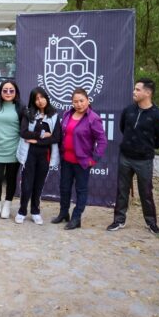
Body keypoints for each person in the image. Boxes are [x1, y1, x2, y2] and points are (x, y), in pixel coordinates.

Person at [107, 78, 159, 235]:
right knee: (122, 190)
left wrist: (145, 148)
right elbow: (122, 128)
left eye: (138, 89)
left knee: (146, 192)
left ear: (148, 93)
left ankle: (151, 223)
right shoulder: (128, 110)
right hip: (125, 157)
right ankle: (119, 220)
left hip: (144, 160)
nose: (134, 92)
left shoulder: (157, 115)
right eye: (134, 89)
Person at [51, 88, 107, 230]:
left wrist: (94, 159)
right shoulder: (67, 114)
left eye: (81, 101)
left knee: (81, 190)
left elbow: (102, 141)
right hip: (66, 160)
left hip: (82, 162)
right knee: (64, 188)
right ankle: (64, 213)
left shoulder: (93, 118)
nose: (79, 104)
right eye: (75, 101)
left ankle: (76, 218)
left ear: (88, 100)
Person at [15, 87, 61, 225]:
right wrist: (41, 135)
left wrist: (37, 141)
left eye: (42, 97)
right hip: (29, 154)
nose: (40, 101)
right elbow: (23, 133)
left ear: (47, 98)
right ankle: (22, 211)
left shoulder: (53, 115)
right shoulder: (28, 113)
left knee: (39, 184)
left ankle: (35, 211)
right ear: (33, 101)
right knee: (27, 184)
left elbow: (56, 137)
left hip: (44, 155)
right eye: (37, 98)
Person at [0, 80, 23, 220]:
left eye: (11, 90)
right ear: (0, 92)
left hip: (14, 150)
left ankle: (7, 205)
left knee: (11, 179)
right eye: (5, 90)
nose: (8, 93)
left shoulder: (20, 108)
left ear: (16, 92)